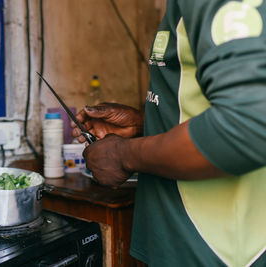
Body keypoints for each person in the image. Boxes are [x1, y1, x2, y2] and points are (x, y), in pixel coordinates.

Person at [71, 0, 266, 266]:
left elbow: (246, 124)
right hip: (180, 236)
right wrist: (148, 122)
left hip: (215, 247)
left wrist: (122, 155)